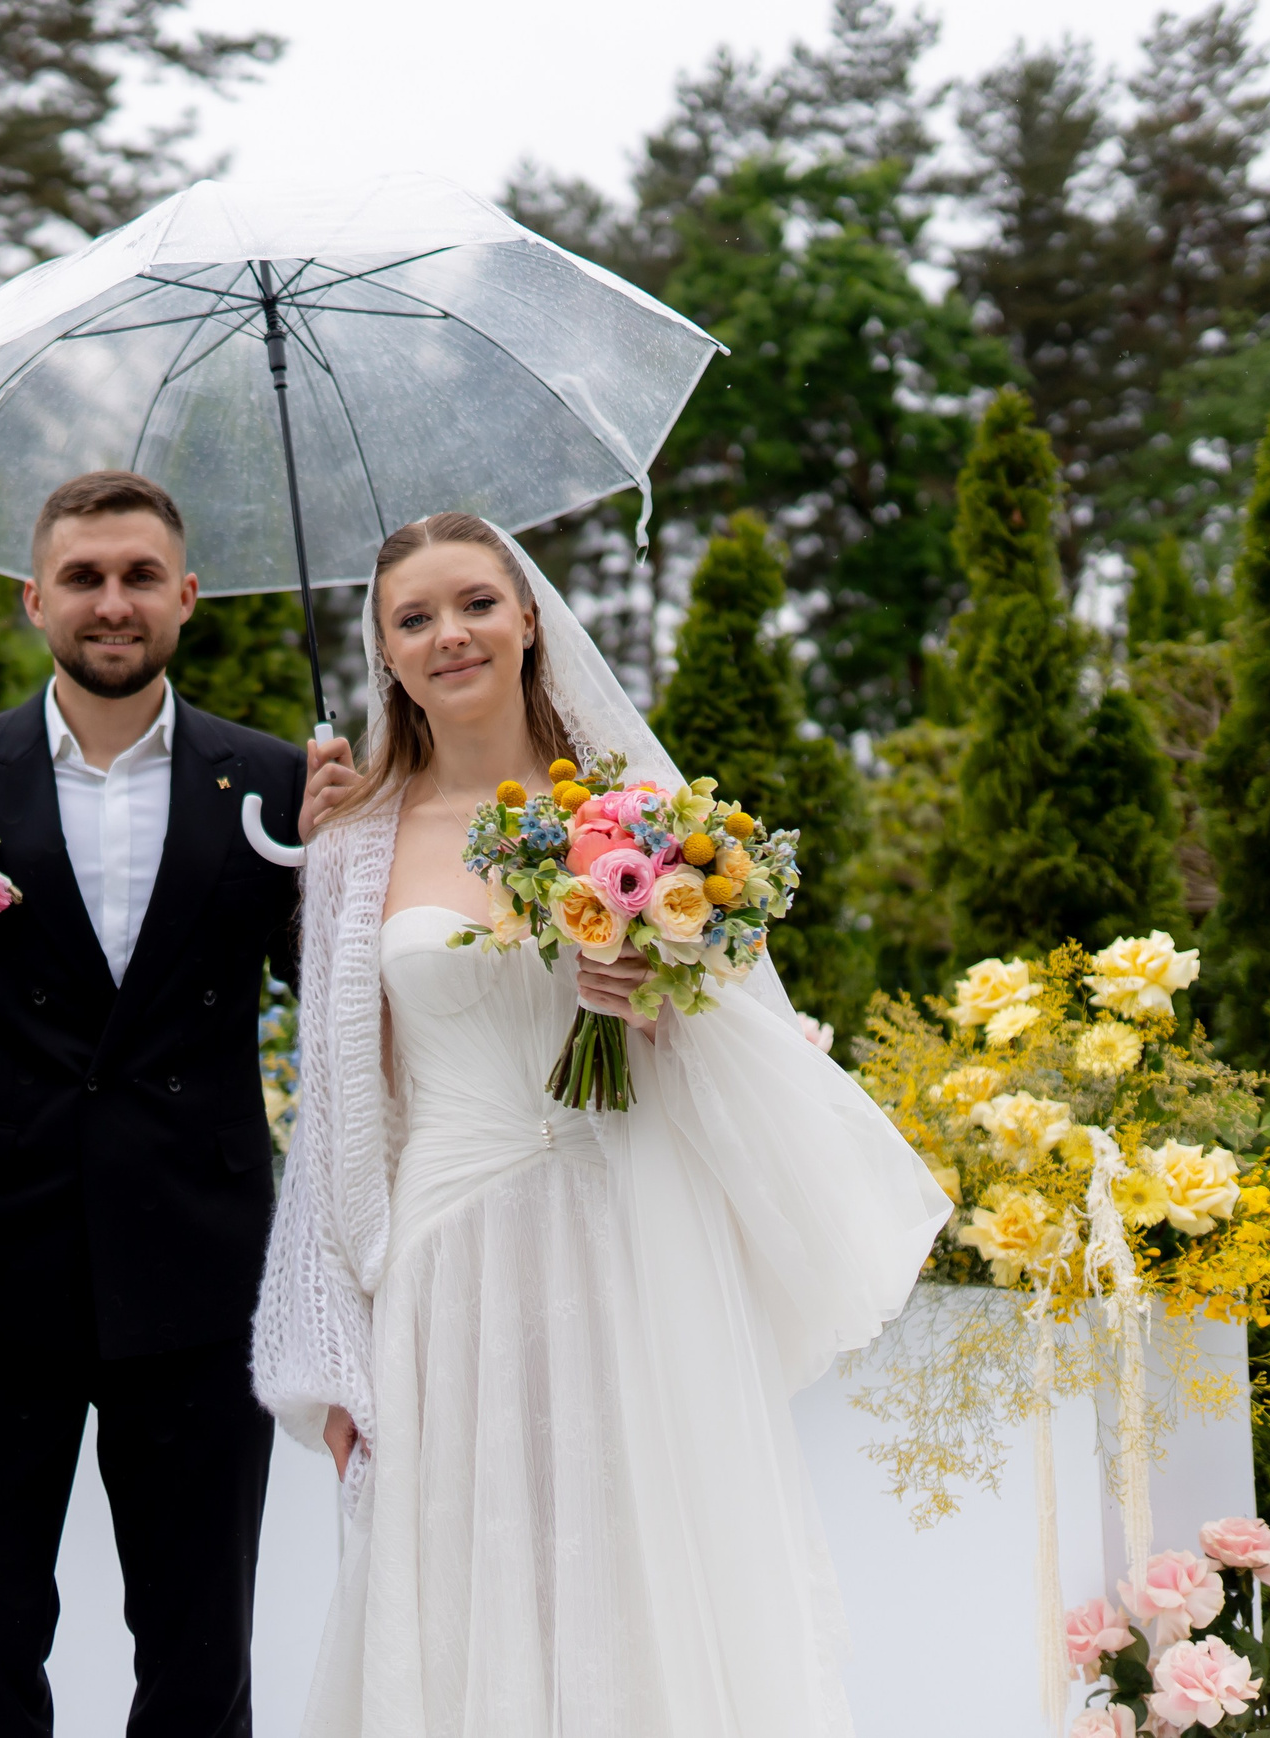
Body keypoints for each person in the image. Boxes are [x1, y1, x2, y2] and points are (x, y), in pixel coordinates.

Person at [258, 514, 949, 1738]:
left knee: (643, 1559)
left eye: (473, 602)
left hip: (626, 1230)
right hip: (445, 1257)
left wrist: (652, 998)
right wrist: (331, 1353)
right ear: (384, 656)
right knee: (469, 1572)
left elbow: (731, 1041)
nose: (447, 635)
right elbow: (340, 1112)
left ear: (528, 616)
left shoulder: (643, 822)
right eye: (411, 619)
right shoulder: (353, 846)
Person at [0, 470, 307, 1738]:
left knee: (201, 1651)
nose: (113, 602)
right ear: (36, 599)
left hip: (202, 1280)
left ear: (186, 597)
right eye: (85, 578)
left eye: (140, 575)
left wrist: (358, 844)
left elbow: (351, 995)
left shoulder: (272, 780)